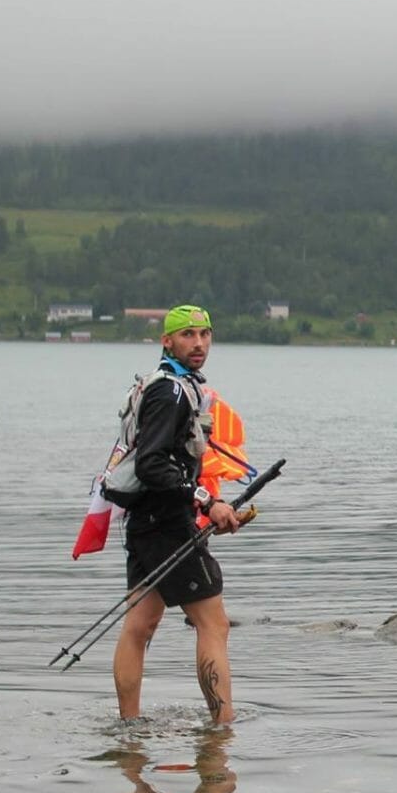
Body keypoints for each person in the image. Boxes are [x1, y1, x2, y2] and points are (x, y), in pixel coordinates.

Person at [113, 305, 244, 725]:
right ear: (166, 341)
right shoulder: (169, 392)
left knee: (141, 625)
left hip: (142, 523)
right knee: (214, 624)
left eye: (205, 334)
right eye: (188, 335)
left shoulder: (166, 387)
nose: (199, 344)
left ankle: (129, 728)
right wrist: (208, 502)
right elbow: (152, 464)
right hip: (167, 524)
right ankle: (222, 728)